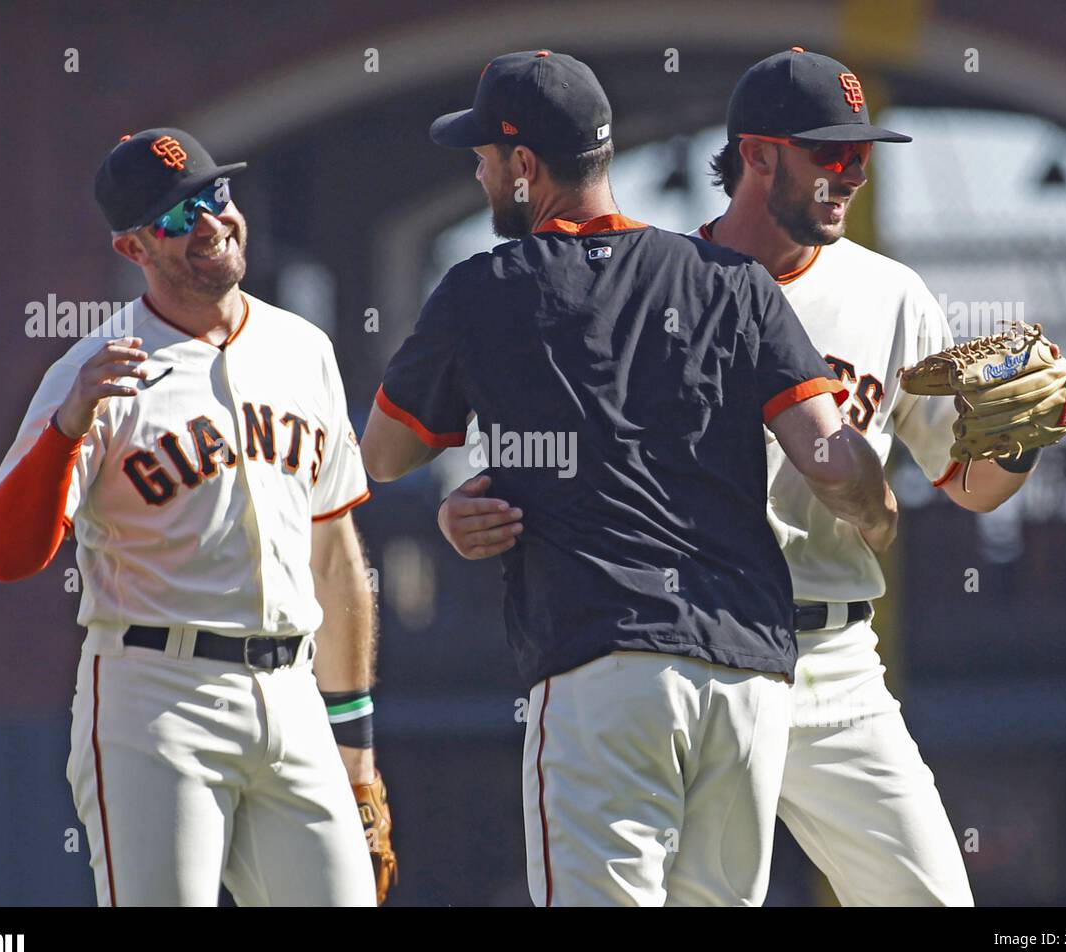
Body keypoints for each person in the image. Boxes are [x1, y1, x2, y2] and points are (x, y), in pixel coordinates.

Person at [443, 49, 1037, 906]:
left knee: (934, 899)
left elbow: (968, 483)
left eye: (860, 157)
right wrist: (479, 503)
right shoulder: (661, 282)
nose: (848, 175)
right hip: (694, 645)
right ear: (756, 155)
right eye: (827, 154)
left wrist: (1020, 445)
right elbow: (566, 450)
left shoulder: (890, 293)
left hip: (832, 658)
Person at [361, 50, 894, 906]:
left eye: (485, 156)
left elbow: (384, 454)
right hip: (745, 676)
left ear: (525, 167)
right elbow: (833, 462)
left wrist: (481, 486)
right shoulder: (732, 281)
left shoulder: (483, 290)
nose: (478, 170)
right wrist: (888, 507)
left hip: (602, 663)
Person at [0, 128, 395, 906]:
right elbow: (7, 552)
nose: (209, 222)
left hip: (293, 693)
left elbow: (335, 555)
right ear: (132, 247)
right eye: (176, 217)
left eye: (215, 196)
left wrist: (357, 748)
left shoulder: (303, 347)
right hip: (157, 695)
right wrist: (67, 427)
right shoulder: (96, 369)